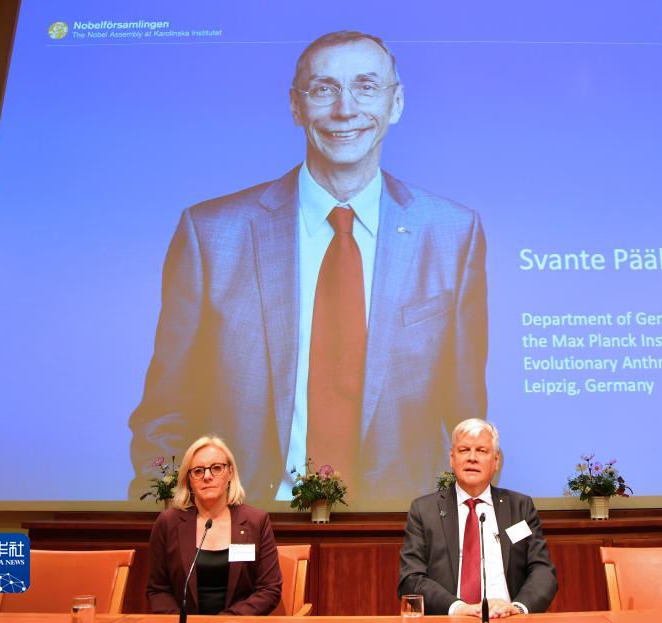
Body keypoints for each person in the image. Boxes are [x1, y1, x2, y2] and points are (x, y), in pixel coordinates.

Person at [128, 30, 487, 503]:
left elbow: (467, 420)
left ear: (396, 103)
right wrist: (178, 522)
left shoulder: (453, 233)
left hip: (398, 526)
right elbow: (165, 412)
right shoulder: (210, 234)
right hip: (246, 520)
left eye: (366, 86)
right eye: (324, 89)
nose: (345, 109)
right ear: (296, 106)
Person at [398, 419, 557, 616]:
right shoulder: (424, 511)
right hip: (450, 619)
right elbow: (411, 578)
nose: (472, 458)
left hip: (508, 618)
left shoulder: (519, 508)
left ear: (496, 461)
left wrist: (517, 608)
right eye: (464, 450)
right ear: (452, 458)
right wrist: (458, 608)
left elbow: (542, 571)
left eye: (481, 451)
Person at [147, 435, 281, 615]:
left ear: (230, 473)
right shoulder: (168, 523)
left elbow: (269, 589)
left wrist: (226, 620)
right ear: (189, 479)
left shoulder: (256, 522)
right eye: (198, 471)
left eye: (216, 468)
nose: (207, 476)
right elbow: (158, 590)